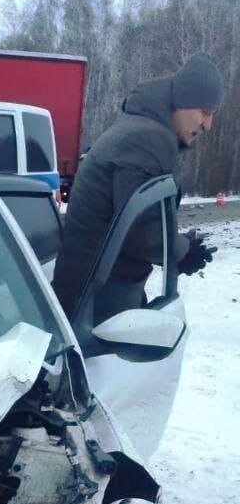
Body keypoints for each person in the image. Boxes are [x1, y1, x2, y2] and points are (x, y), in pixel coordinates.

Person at [53, 53, 224, 322]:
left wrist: (178, 245)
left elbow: (138, 218)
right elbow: (143, 234)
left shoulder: (141, 130)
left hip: (98, 286)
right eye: (205, 112)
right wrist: (182, 251)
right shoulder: (147, 139)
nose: (208, 125)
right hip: (94, 301)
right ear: (183, 101)